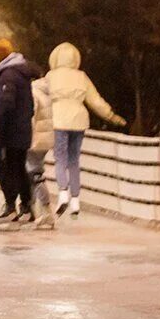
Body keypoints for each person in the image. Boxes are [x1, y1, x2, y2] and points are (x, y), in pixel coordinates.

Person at [46, 42, 126, 219]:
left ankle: (62, 194)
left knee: (60, 158)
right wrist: (112, 116)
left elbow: (41, 100)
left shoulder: (51, 76)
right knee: (74, 160)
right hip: (79, 120)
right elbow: (95, 101)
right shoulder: (82, 77)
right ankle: (75, 200)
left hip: (59, 119)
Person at [0, 39, 41, 228]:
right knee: (18, 169)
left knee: (3, 170)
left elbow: (5, 106)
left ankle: (11, 207)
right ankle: (26, 206)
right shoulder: (20, 74)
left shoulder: (8, 76)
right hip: (21, 131)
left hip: (9, 134)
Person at [28, 74, 58, 230]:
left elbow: (31, 116)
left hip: (34, 139)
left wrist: (26, 136)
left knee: (34, 174)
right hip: (45, 140)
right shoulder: (48, 93)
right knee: (36, 173)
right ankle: (39, 211)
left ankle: (44, 211)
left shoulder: (33, 92)